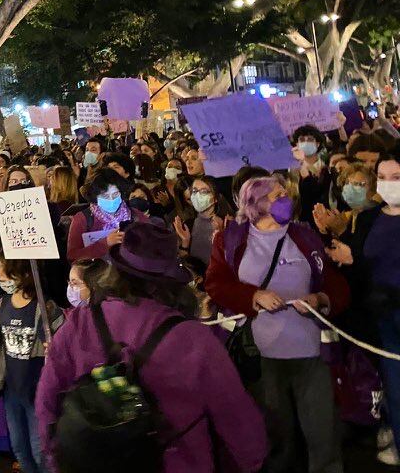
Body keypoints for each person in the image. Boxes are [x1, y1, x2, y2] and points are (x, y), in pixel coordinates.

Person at [37, 221, 268, 473]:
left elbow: (47, 397)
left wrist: (57, 457)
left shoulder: (79, 324)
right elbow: (241, 426)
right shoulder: (194, 339)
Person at [206, 176, 348, 473]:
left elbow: (335, 285)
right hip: (260, 356)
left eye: (285, 193)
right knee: (275, 436)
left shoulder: (305, 236)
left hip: (311, 352)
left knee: (322, 433)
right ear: (256, 204)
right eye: (277, 195)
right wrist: (253, 295)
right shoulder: (231, 240)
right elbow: (216, 284)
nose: (285, 199)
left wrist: (320, 298)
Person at [326, 155, 400, 466]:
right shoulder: (371, 219)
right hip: (383, 317)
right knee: (395, 385)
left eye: (395, 177)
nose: (388, 183)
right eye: (382, 177)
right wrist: (347, 256)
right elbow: (361, 265)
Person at [0, 254, 63, 473]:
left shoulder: (45, 309)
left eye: (3, 269)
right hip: (12, 393)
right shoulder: (2, 305)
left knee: (41, 452)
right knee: (20, 448)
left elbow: (64, 348)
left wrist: (56, 348)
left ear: (23, 273)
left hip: (37, 394)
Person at [66, 168, 151, 262]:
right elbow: (72, 256)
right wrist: (105, 243)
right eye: (105, 196)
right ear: (95, 197)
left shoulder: (136, 216)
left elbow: (153, 245)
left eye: (115, 194)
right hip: (97, 274)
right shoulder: (83, 219)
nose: (111, 200)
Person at [173, 175, 231, 267]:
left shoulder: (227, 224)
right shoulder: (188, 225)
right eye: (194, 191)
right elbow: (184, 265)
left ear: (215, 198)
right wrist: (185, 242)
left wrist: (222, 239)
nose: (197, 196)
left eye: (204, 192)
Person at [292, 125, 331, 226]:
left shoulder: (327, 169)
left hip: (319, 221)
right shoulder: (289, 171)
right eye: (301, 140)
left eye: (310, 140)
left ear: (317, 144)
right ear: (296, 144)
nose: (305, 143)